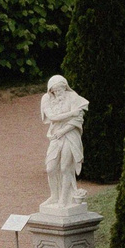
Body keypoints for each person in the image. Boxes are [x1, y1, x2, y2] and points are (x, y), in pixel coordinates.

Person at [41, 74, 90, 212]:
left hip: (69, 135)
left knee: (65, 168)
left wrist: (64, 130)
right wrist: (72, 113)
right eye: (54, 91)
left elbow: (78, 120)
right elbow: (52, 117)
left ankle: (63, 198)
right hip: (55, 137)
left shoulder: (74, 98)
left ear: (65, 87)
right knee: (50, 167)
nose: (57, 93)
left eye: (59, 90)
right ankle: (54, 196)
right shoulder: (47, 99)